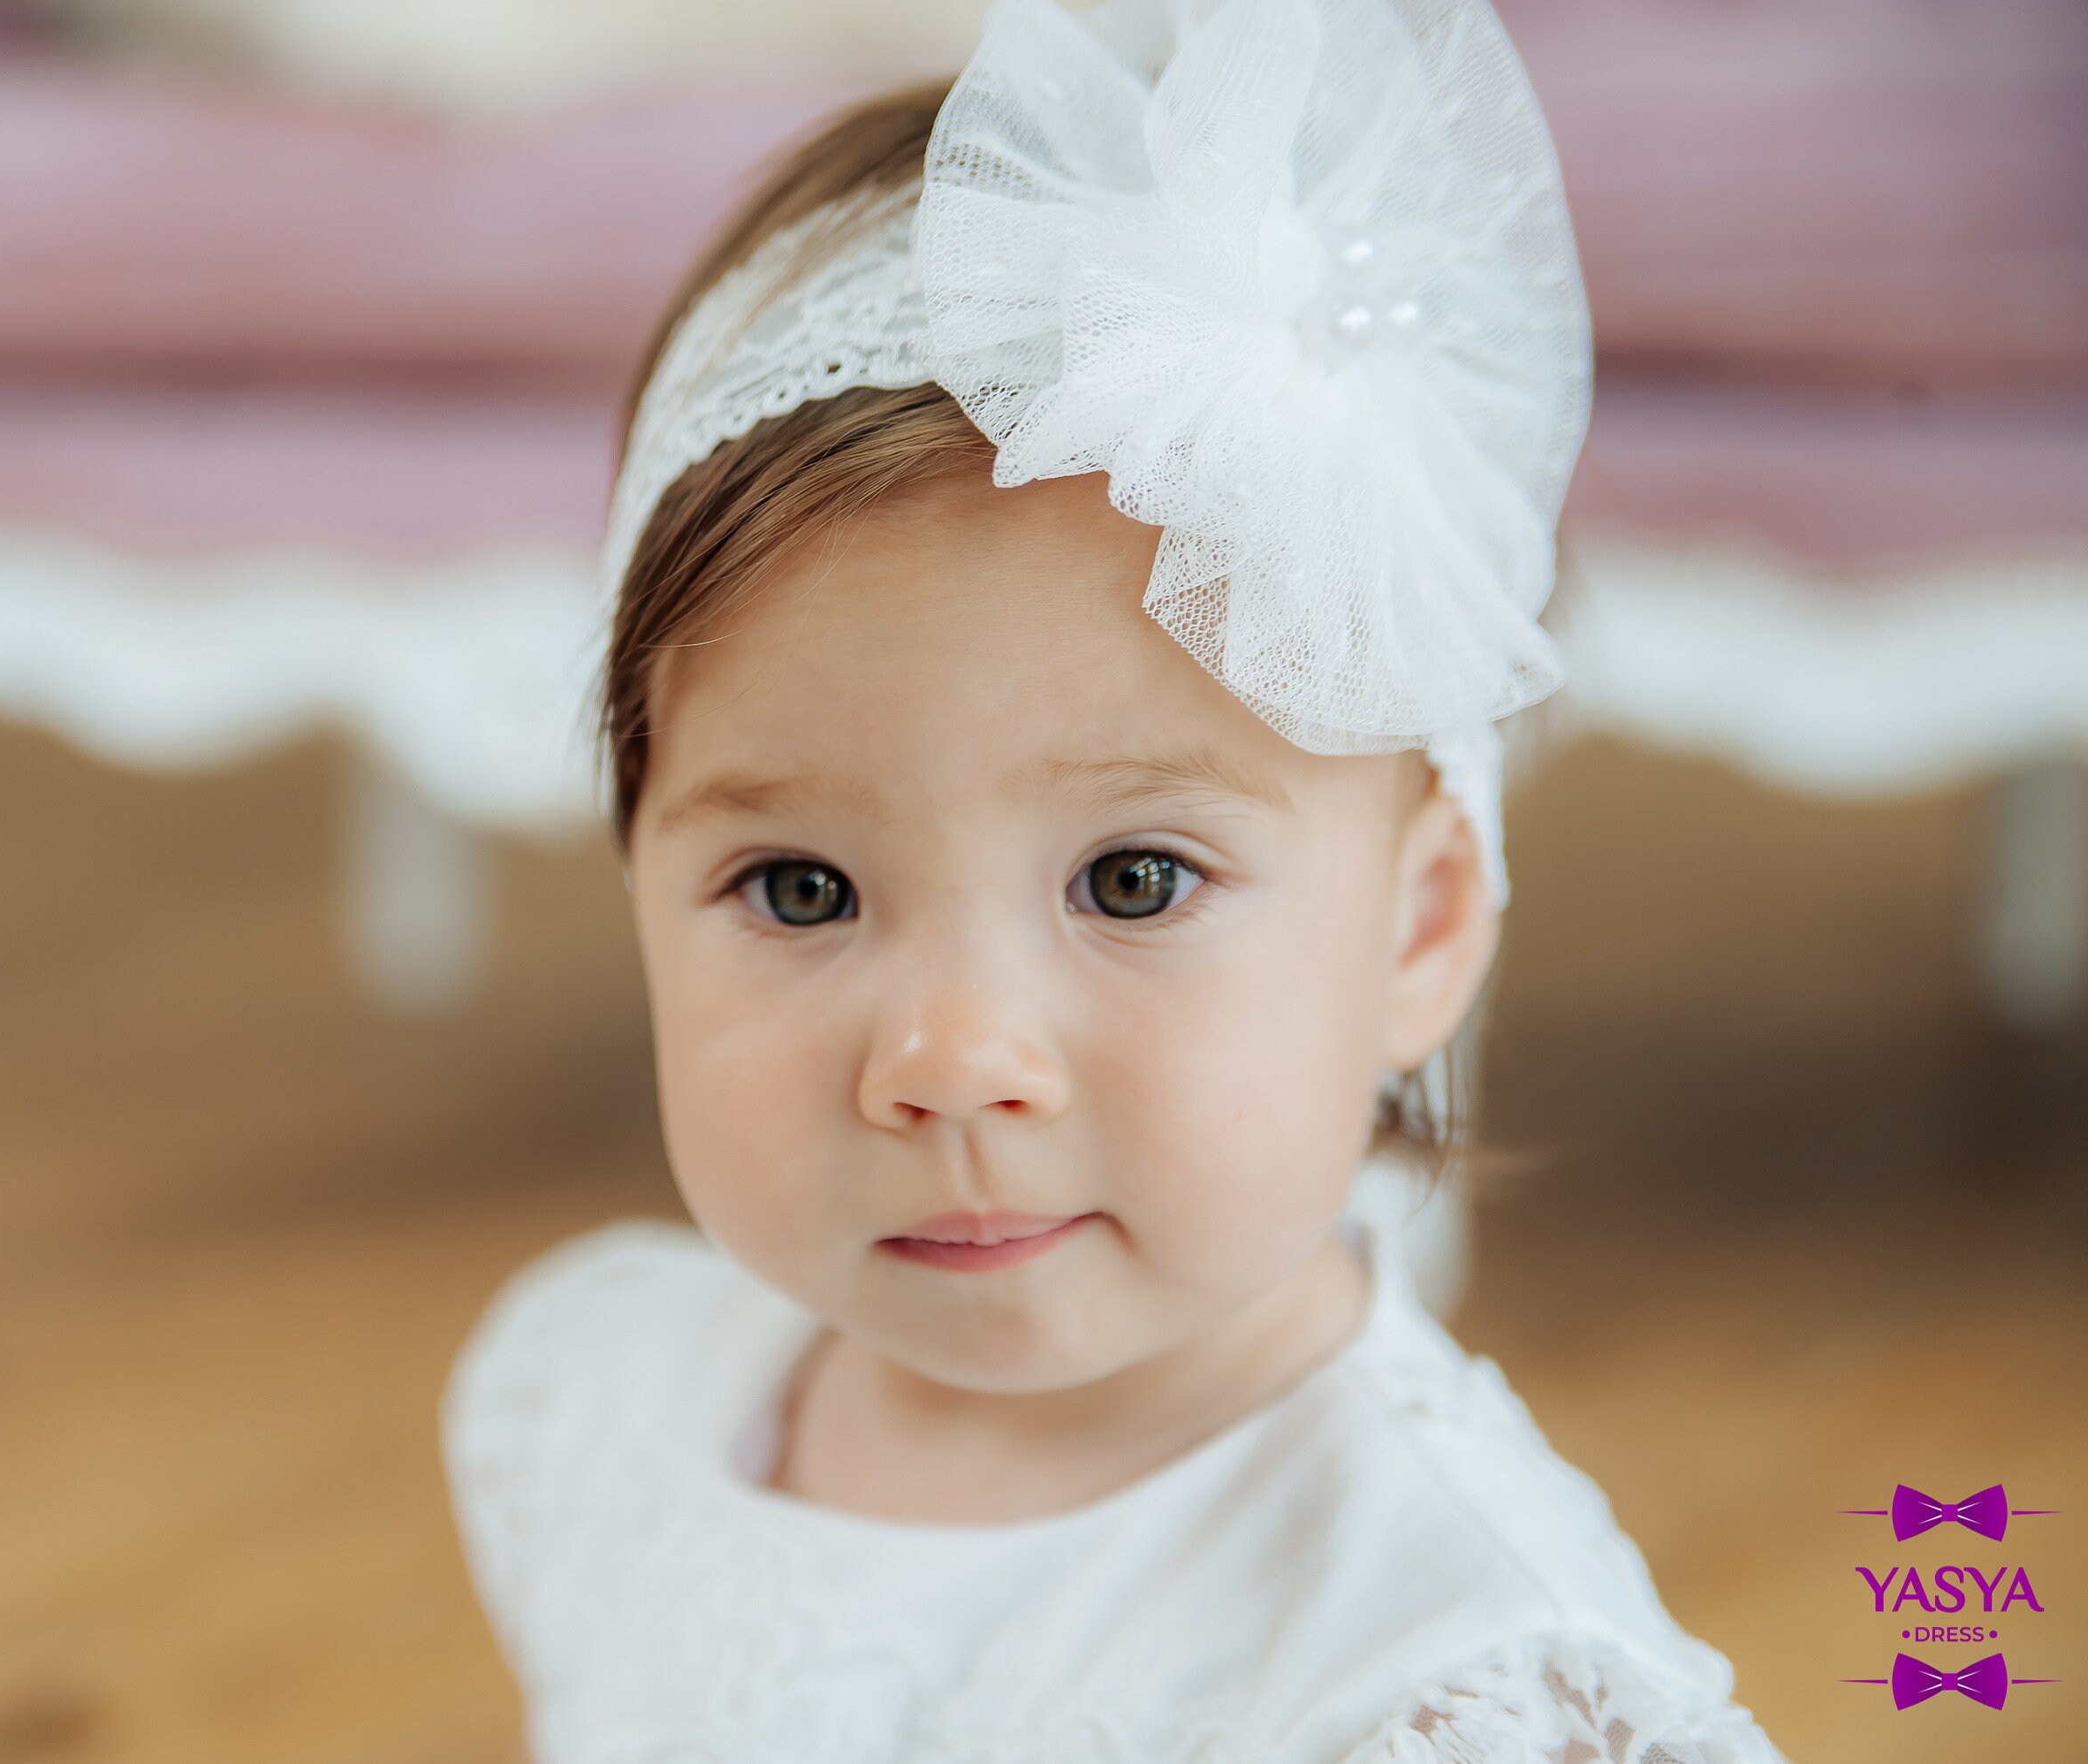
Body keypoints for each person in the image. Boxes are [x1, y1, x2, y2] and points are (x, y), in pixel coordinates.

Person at [443, 1, 1790, 1757]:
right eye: (799, 889)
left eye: (1136, 879)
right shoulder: (614, 1405)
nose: (951, 1058)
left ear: (1421, 925)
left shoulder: (1449, 1671)